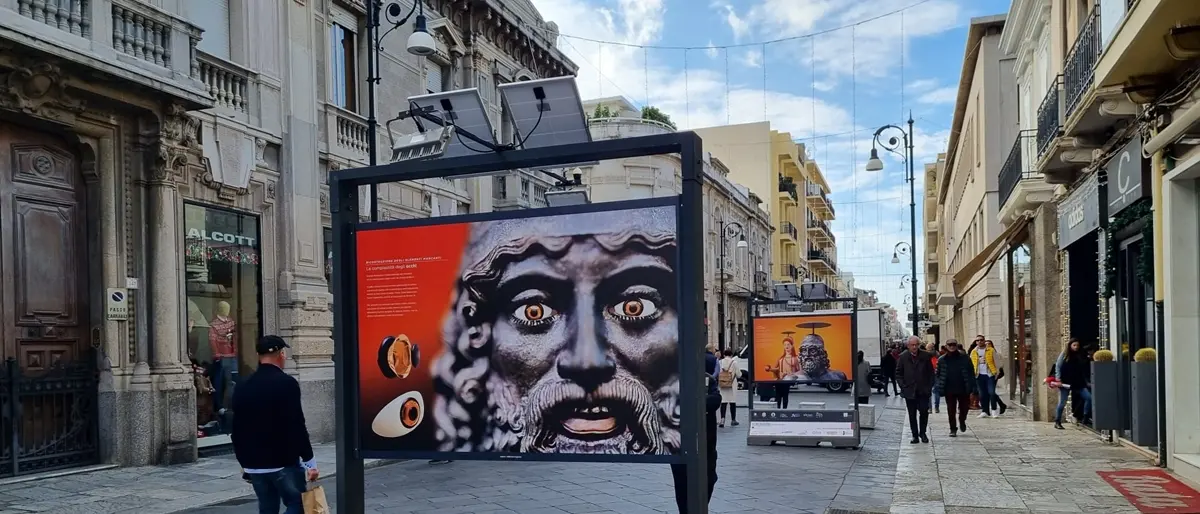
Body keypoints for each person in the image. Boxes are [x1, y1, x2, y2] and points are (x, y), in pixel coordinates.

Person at [232, 335, 317, 514]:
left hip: (253, 462)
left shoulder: (242, 385)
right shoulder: (286, 383)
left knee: (267, 508)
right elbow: (296, 424)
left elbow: (237, 427)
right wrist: (309, 461)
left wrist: (244, 462)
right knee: (298, 504)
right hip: (282, 460)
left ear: (258, 355)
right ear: (281, 354)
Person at [671, 349, 720, 513]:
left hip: (706, 444)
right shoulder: (672, 381)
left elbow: (716, 399)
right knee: (682, 484)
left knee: (710, 479)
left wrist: (694, 403)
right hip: (680, 443)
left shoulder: (707, 379)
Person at [895, 336, 936, 444]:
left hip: (923, 390)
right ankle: (914, 435)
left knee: (924, 412)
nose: (914, 347)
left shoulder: (925, 356)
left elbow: (931, 373)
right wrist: (903, 386)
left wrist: (929, 386)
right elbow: (898, 373)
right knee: (912, 414)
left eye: (916, 345)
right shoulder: (903, 357)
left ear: (918, 345)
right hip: (909, 390)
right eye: (912, 345)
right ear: (908, 346)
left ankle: (923, 433)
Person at [934, 339, 976, 437]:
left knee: (964, 408)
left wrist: (972, 385)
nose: (952, 346)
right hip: (949, 388)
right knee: (951, 410)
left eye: (953, 345)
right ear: (946, 346)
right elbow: (938, 373)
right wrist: (940, 385)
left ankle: (962, 420)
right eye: (950, 345)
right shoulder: (942, 359)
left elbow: (971, 372)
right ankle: (953, 428)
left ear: (956, 346)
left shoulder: (965, 358)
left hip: (963, 387)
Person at [1053, 338, 1093, 429]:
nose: (1076, 347)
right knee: (1062, 402)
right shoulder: (1064, 354)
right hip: (1065, 382)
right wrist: (1058, 379)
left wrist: (1086, 381)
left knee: (1088, 398)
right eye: (1074, 345)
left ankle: (1085, 418)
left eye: (1077, 345)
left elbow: (1083, 368)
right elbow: (1058, 366)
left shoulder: (1080, 354)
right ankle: (1057, 421)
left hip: (1078, 382)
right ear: (1070, 345)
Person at [969, 336, 998, 418]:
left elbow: (997, 361)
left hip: (990, 374)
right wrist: (978, 361)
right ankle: (985, 411)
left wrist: (997, 372)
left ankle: (994, 410)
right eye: (977, 340)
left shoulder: (991, 350)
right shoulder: (974, 351)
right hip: (979, 375)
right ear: (976, 342)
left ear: (984, 341)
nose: (979, 341)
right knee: (982, 394)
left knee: (991, 392)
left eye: (981, 340)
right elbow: (971, 363)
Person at [718, 349, 740, 427]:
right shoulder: (734, 362)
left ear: (724, 355)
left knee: (723, 402)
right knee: (732, 402)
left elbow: (718, 372)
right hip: (732, 384)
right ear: (731, 355)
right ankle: (733, 420)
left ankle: (722, 419)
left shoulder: (720, 362)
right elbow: (739, 374)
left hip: (723, 383)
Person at [987, 341, 1009, 415]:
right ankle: (1001, 404)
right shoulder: (983, 353)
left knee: (991, 391)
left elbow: (1000, 364)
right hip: (985, 375)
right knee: (989, 392)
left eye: (989, 344)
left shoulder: (997, 354)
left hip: (994, 374)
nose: (987, 345)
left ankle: (999, 405)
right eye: (986, 344)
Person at [927, 343, 941, 413]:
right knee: (936, 391)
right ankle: (936, 408)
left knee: (928, 392)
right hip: (936, 373)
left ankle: (930, 408)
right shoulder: (937, 354)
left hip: (928, 374)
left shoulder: (925, 354)